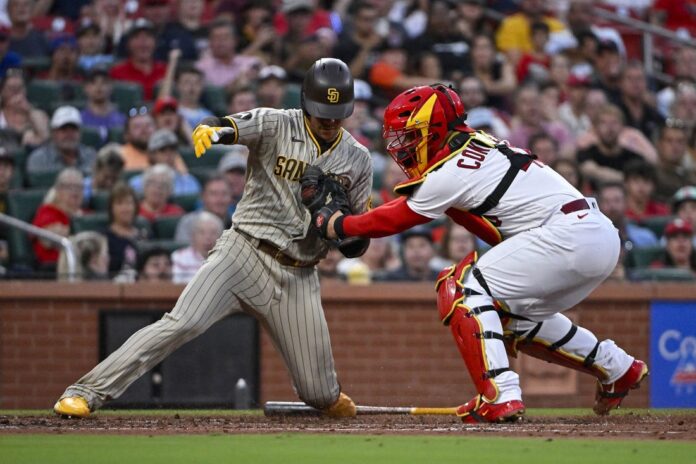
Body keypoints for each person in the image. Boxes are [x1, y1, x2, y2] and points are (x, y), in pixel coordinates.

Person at [54, 58, 372, 419]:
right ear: (305, 103)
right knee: (181, 323)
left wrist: (341, 228)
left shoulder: (357, 159)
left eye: (337, 115)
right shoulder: (276, 123)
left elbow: (357, 238)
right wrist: (211, 131)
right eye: (323, 113)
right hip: (243, 253)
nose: (330, 121)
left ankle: (327, 396)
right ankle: (86, 392)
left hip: (299, 273)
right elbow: (225, 126)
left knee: (320, 393)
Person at [310, 84, 647, 423]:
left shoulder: (452, 168)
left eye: (410, 136)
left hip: (568, 235)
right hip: (593, 235)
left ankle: (498, 395)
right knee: (508, 317)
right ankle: (616, 366)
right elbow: (493, 230)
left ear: (434, 129)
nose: (402, 147)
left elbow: (396, 217)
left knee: (462, 286)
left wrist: (340, 225)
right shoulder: (477, 146)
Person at [31, 168, 84, 271]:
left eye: (79, 188)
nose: (75, 193)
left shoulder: (86, 213)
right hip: (54, 270)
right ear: (58, 190)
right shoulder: (47, 212)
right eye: (69, 187)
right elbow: (46, 240)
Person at [27, 106, 97, 176]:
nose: (69, 134)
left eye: (74, 129)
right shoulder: (39, 159)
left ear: (80, 132)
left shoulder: (91, 156)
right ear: (53, 132)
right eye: (63, 129)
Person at [129, 129, 201, 196]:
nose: (168, 154)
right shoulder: (137, 183)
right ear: (152, 154)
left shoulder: (188, 181)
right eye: (162, 150)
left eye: (172, 149)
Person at [109, 19, 166, 101]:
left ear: (155, 43)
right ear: (128, 43)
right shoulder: (117, 72)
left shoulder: (165, 71)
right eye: (137, 37)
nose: (143, 42)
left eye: (148, 37)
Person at [104, 183, 148, 277]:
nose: (125, 208)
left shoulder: (145, 235)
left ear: (135, 206)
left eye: (129, 203)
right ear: (111, 208)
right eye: (119, 203)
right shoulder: (104, 238)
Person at [174, 175, 233, 243]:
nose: (219, 199)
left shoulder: (237, 224)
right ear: (203, 197)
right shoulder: (188, 223)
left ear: (231, 198)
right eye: (214, 194)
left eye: (224, 194)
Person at [171, 211, 224, 284]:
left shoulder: (227, 259)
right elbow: (176, 285)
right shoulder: (179, 258)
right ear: (193, 236)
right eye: (202, 233)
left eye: (213, 233)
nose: (208, 237)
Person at [82, 143, 125, 207]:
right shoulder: (82, 188)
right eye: (106, 177)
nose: (109, 183)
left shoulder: (123, 192)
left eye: (114, 179)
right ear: (96, 170)